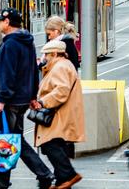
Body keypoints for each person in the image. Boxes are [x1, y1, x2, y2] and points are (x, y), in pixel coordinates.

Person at [0, 8, 54, 189]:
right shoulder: (26, 42)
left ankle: (0, 182)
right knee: (14, 139)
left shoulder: (10, 44)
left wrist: (1, 99)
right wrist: (32, 95)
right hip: (21, 99)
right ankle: (43, 174)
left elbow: (7, 74)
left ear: (7, 22)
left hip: (9, 101)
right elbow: (33, 70)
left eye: (0, 20)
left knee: (6, 140)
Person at [33, 40, 84, 188]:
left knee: (50, 144)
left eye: (47, 54)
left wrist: (42, 102)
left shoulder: (60, 66)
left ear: (55, 53)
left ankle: (69, 174)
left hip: (60, 114)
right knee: (56, 145)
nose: (44, 58)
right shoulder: (61, 65)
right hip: (62, 113)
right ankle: (63, 179)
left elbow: (61, 90)